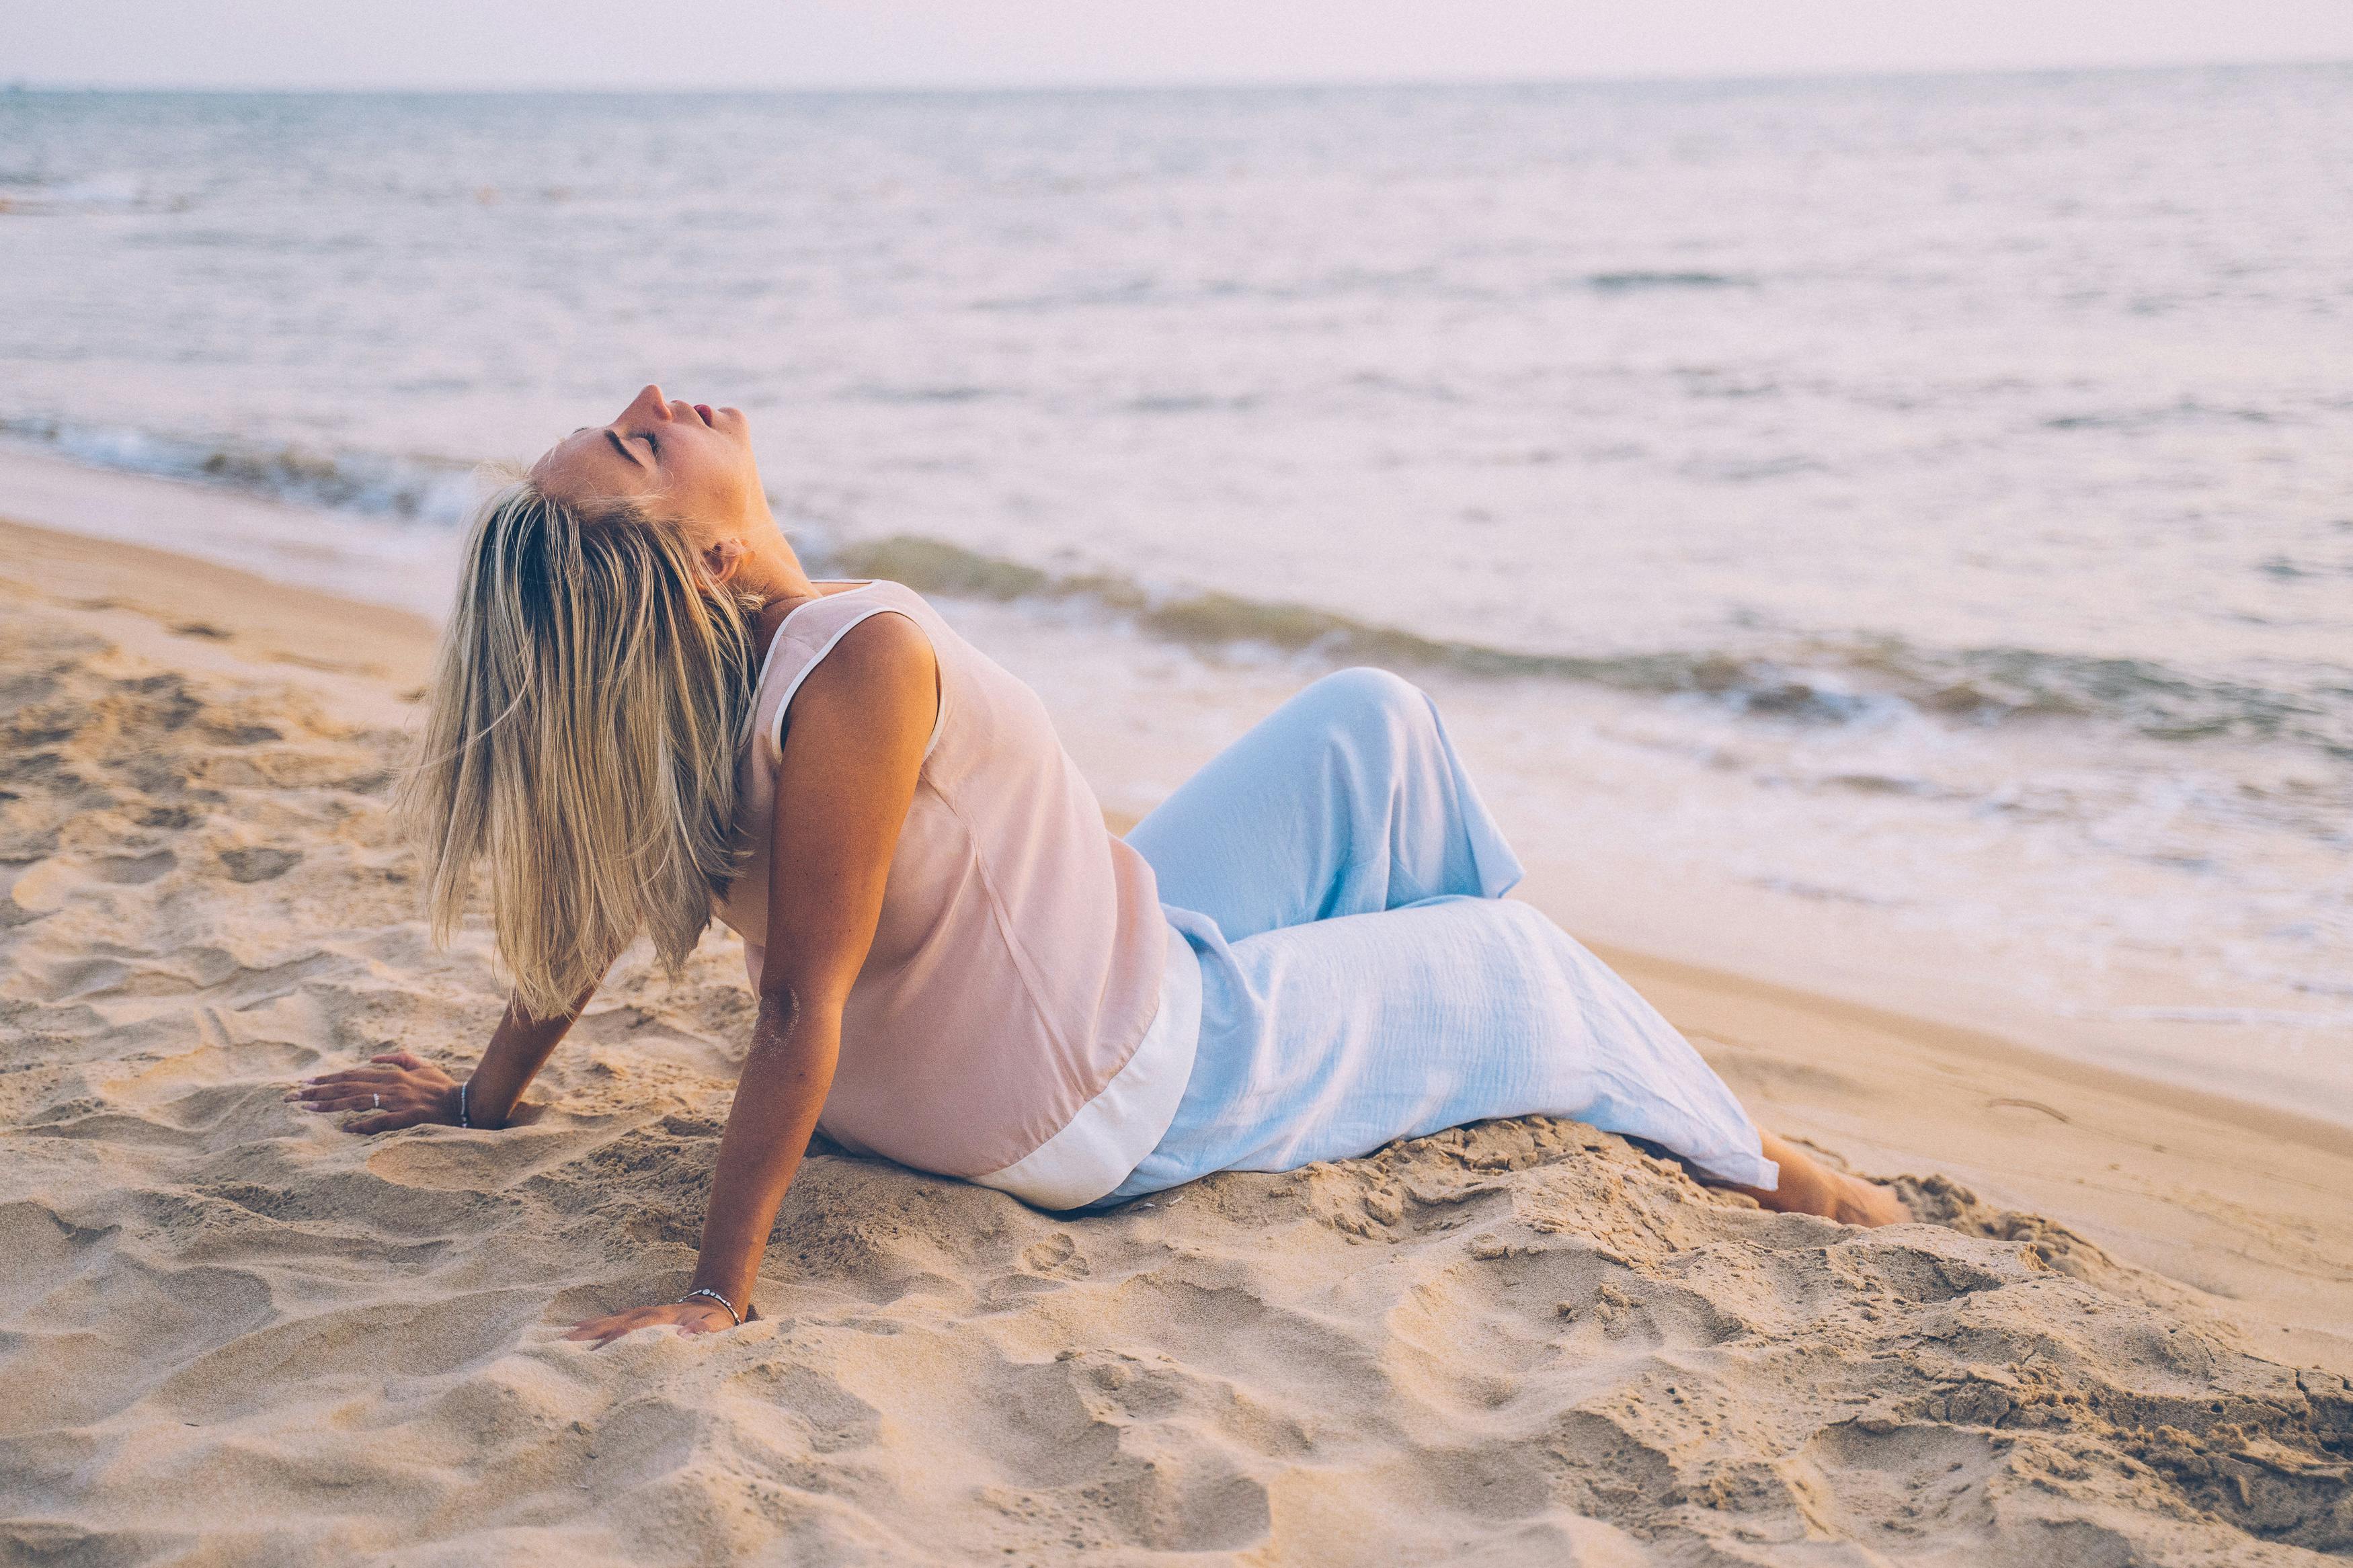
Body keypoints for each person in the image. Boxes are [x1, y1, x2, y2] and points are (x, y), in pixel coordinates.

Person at [290, 385, 1905, 1348]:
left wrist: (482, 1100)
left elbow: (580, 918)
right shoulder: (851, 652)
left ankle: (1415, 1033)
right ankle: (1770, 1167)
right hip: (1105, 1087)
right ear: (709, 558)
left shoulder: (693, 696)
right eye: (643, 441)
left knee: (1370, 723)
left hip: (1071, 991)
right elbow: (791, 1006)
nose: (663, 399)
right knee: (1525, 966)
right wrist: (720, 1291)